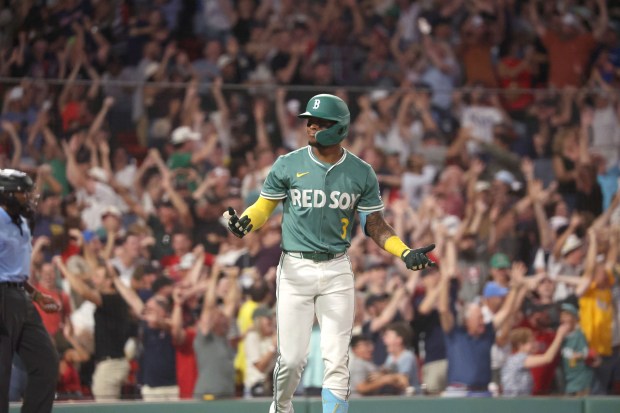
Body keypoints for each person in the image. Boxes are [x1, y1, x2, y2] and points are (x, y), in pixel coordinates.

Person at [224, 94, 435, 413]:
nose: (310, 126)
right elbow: (264, 207)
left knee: (337, 360)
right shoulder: (287, 163)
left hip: (337, 269)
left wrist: (404, 252)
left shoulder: (361, 172)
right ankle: (281, 408)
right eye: (309, 120)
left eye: (319, 122)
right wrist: (247, 223)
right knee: (292, 359)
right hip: (295, 268)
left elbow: (375, 225)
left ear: (339, 128)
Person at [0, 168, 60, 413]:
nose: (29, 197)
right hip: (2, 298)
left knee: (46, 364)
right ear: (7, 194)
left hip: (21, 297)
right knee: (1, 372)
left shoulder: (23, 221)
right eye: (24, 193)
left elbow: (12, 268)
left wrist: (35, 294)